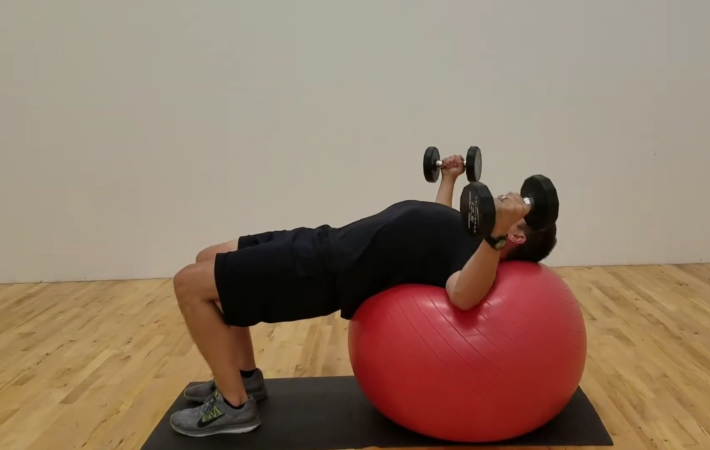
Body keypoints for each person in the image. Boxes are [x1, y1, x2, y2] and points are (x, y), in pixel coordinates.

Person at [169, 155, 558, 437]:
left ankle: (234, 406)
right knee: (209, 258)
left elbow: (461, 295)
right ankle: (244, 378)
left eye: (518, 210)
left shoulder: (480, 257)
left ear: (516, 235)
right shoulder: (467, 237)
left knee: (189, 283)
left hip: (320, 271)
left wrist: (496, 237)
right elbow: (432, 224)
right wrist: (449, 180)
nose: (509, 195)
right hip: (322, 239)